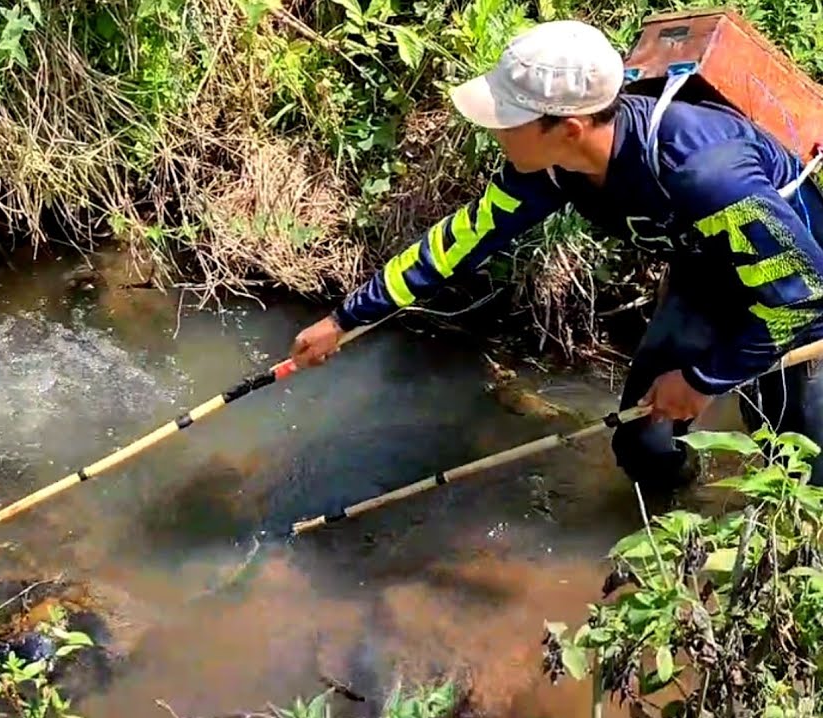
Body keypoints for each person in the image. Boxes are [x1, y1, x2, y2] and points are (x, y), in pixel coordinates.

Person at [288, 19, 823, 489]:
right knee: (644, 445)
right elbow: (458, 242)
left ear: (569, 128)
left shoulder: (704, 173)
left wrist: (704, 380)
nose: (494, 129)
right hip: (705, 275)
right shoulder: (550, 168)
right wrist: (343, 320)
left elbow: (803, 296)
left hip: (801, 288)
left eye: (507, 119)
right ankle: (681, 536)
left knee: (803, 462)